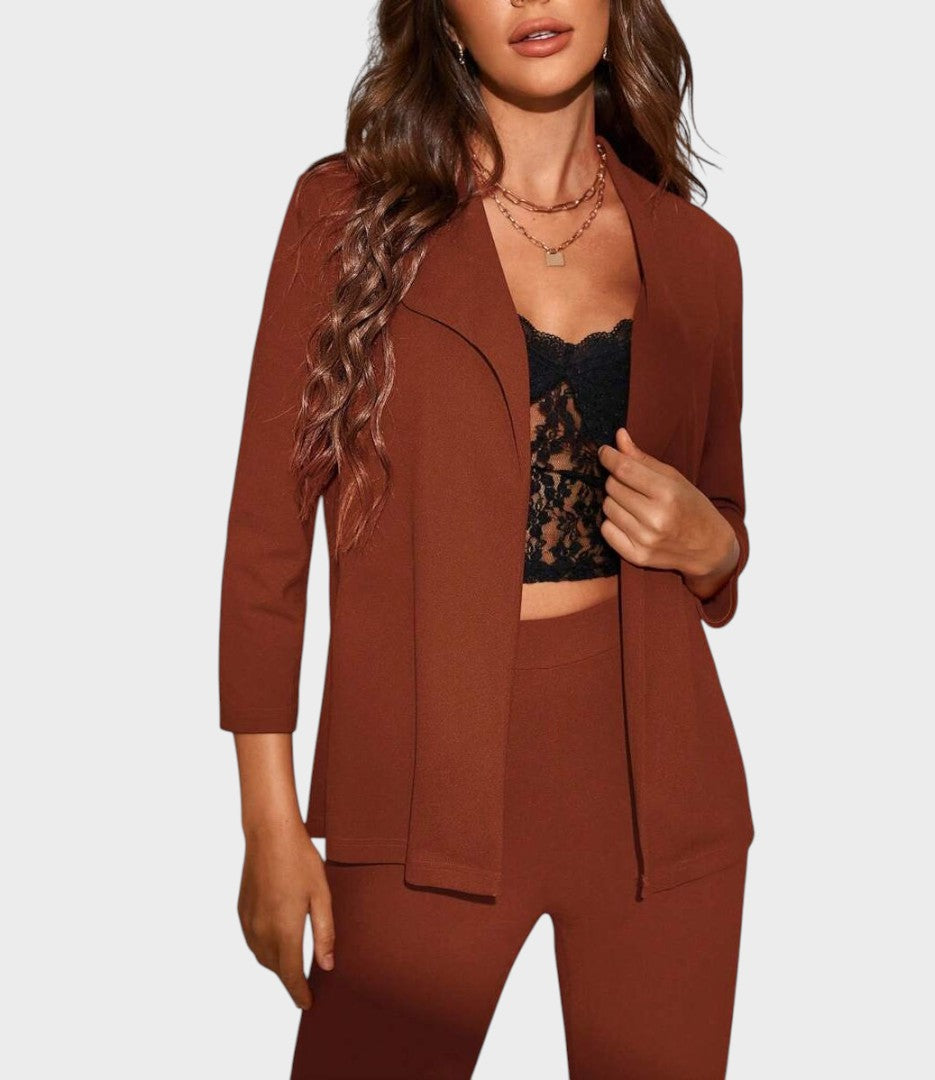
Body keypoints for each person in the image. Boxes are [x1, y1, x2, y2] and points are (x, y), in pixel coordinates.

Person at [219, 1, 755, 1076]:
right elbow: (266, 541)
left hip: (661, 800)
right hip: (419, 792)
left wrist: (716, 547)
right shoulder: (348, 216)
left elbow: (722, 522)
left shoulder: (699, 254)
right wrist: (269, 822)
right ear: (444, 18)